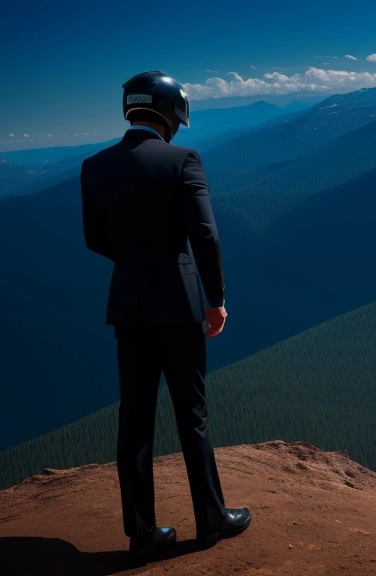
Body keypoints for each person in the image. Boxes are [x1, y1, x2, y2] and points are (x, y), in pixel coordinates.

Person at [79, 70, 251, 563]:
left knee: (134, 418)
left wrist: (136, 262)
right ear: (171, 113)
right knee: (190, 414)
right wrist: (215, 300)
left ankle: (141, 531)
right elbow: (207, 237)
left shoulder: (94, 166)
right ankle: (211, 518)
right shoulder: (182, 160)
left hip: (127, 306)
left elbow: (95, 239)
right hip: (179, 305)